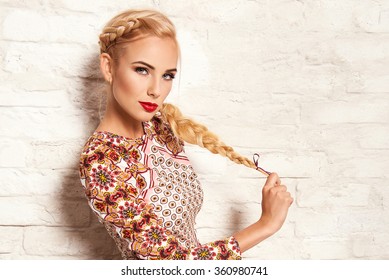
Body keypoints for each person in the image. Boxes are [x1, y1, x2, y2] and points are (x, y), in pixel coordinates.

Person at [79, 9, 293, 260]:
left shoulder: (159, 128)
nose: (156, 90)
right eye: (142, 70)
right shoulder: (100, 162)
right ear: (108, 67)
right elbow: (173, 263)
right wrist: (266, 224)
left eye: (167, 75)